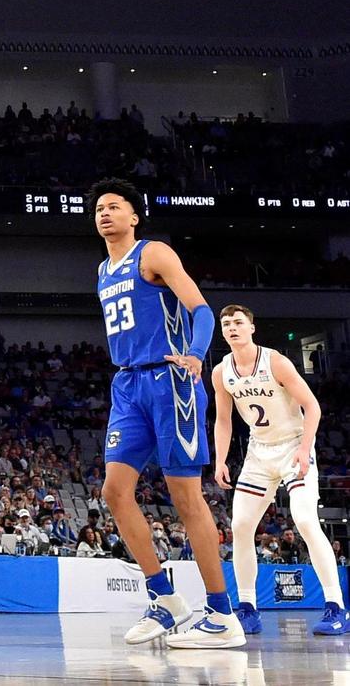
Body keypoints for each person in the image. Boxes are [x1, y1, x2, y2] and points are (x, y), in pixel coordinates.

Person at [91, 178, 244, 648]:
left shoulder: (153, 253)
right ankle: (166, 598)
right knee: (115, 493)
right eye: (98, 208)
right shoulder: (102, 269)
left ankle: (222, 614)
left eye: (114, 207)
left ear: (134, 216)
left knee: (186, 499)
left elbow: (200, 309)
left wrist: (197, 353)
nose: (104, 213)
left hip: (170, 380)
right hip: (127, 384)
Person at [213, 303, 348, 636]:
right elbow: (223, 420)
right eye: (226, 323)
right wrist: (219, 460)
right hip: (259, 453)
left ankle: (336, 607)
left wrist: (305, 449)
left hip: (293, 446)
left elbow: (312, 406)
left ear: (251, 328)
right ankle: (247, 608)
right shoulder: (221, 371)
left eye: (238, 322)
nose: (232, 327)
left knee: (304, 519)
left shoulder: (275, 361)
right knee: (240, 526)